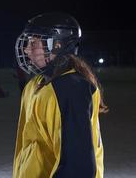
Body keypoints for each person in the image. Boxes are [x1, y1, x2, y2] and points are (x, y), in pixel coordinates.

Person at [12, 12, 108, 178]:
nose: (27, 50)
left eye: (34, 43)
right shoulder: (35, 85)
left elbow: (78, 166)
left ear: (56, 45)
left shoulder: (70, 89)